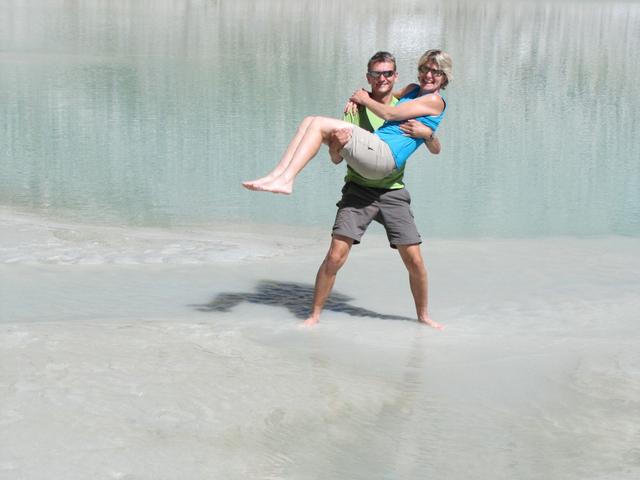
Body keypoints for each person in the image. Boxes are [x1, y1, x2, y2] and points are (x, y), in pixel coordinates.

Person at [303, 50, 449, 329]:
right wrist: (336, 145)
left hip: (393, 191)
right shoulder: (355, 110)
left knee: (414, 260)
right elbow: (336, 159)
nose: (382, 79)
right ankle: (314, 315)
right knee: (335, 256)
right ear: (368, 77)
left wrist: (428, 134)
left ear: (395, 76)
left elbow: (435, 148)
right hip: (358, 190)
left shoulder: (406, 103)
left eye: (387, 74)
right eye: (376, 74)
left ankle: (423, 316)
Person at [242, 49, 452, 196]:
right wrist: (359, 96)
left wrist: (364, 99)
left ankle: (287, 180)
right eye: (425, 69)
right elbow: (382, 94)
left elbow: (390, 113)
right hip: (373, 152)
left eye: (436, 72)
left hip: (385, 158)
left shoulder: (435, 101)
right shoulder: (412, 90)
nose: (429, 75)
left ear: (444, 77)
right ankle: (277, 175)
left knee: (318, 123)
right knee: (309, 121)